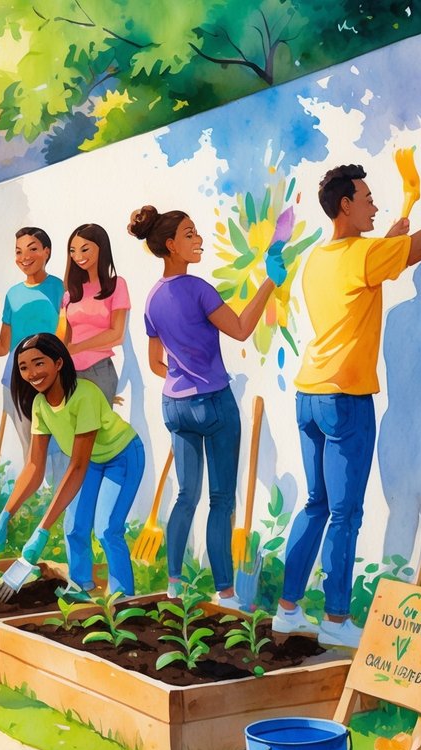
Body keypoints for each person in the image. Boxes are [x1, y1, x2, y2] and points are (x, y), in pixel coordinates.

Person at [277, 163, 421, 648]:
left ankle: (287, 609)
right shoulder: (364, 255)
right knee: (345, 514)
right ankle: (336, 619)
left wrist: (390, 239)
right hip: (344, 402)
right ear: (345, 206)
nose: (375, 205)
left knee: (316, 506)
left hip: (308, 394)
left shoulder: (320, 257)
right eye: (366, 198)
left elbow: (380, 260)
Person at [130, 205, 287, 607]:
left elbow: (154, 362)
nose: (198, 240)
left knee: (186, 496)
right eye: (189, 234)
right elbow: (240, 329)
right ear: (170, 245)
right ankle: (226, 592)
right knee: (220, 499)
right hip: (213, 404)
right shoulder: (198, 289)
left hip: (174, 404)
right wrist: (270, 281)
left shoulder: (151, 299)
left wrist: (182, 373)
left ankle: (175, 583)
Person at [0, 333, 144, 599]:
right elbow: (35, 466)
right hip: (91, 460)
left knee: (106, 529)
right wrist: (5, 516)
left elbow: (78, 466)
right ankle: (82, 588)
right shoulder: (39, 405)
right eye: (23, 367)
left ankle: (123, 600)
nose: (32, 373)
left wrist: (42, 531)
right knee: (74, 526)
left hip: (121, 456)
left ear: (58, 363)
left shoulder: (85, 395)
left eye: (39, 363)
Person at [0, 228, 66, 482]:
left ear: (47, 251)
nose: (25, 256)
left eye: (33, 248)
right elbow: (4, 344)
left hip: (52, 377)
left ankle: (61, 507)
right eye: (19, 251)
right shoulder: (12, 294)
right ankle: (33, 510)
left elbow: (68, 334)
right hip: (16, 379)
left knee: (58, 445)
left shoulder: (60, 288)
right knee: (30, 447)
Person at [59, 223, 129, 406]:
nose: (78, 256)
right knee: (73, 430)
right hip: (70, 372)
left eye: (85, 249)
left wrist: (78, 347)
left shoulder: (117, 285)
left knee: (97, 431)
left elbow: (117, 334)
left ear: (101, 247)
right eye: (72, 251)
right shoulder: (70, 295)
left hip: (99, 370)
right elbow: (66, 338)